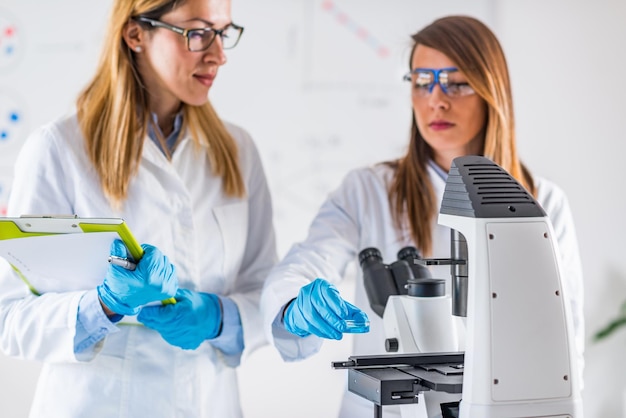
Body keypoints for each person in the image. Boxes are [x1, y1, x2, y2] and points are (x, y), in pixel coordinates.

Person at [260, 15, 584, 418]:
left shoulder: (544, 202)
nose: (436, 99)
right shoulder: (369, 190)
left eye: (456, 82)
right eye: (422, 81)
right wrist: (296, 302)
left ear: (491, 90)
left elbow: (566, 344)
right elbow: (306, 261)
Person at [0, 0, 277, 417]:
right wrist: (105, 305)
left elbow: (264, 289)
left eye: (224, 33)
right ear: (135, 35)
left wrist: (219, 318)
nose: (218, 54)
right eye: (198, 33)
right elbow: (9, 316)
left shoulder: (238, 152)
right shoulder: (58, 148)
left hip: (210, 403)